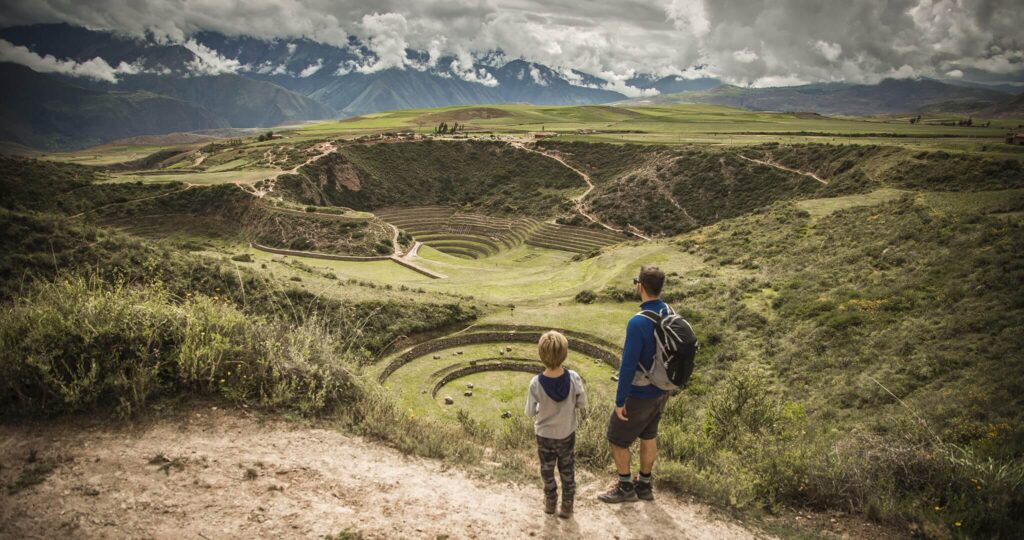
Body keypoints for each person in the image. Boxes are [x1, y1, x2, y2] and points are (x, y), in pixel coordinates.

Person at [599, 265, 671, 503]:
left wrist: (620, 401)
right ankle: (645, 485)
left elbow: (628, 366)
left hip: (640, 392)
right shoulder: (669, 313)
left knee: (616, 438)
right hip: (663, 390)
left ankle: (625, 487)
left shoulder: (638, 322)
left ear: (640, 286)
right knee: (649, 435)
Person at [524, 330, 587, 518]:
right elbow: (582, 403)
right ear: (564, 353)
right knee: (567, 469)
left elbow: (529, 412)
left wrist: (540, 411)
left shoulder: (535, 383)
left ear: (541, 355)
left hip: (544, 435)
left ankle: (550, 501)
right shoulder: (574, 377)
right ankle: (567, 505)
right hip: (566, 433)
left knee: (547, 469)